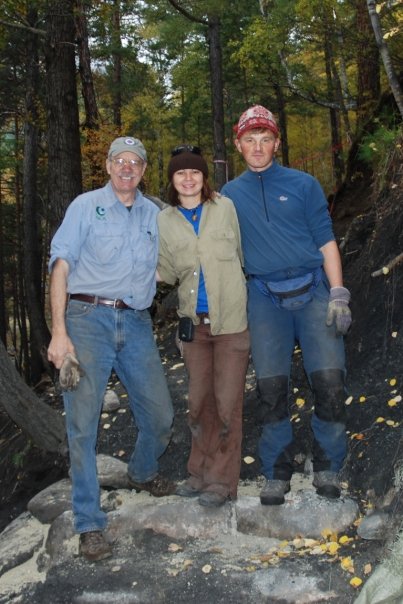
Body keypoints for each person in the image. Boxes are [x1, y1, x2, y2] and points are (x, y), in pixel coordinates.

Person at [47, 136, 175, 561]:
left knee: (160, 416)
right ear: (107, 166)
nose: (127, 168)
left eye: (135, 162)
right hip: (87, 321)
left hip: (137, 322)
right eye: (119, 160)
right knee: (82, 426)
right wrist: (58, 333)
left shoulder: (154, 213)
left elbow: (169, 262)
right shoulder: (85, 206)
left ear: (142, 170)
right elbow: (61, 265)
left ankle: (141, 472)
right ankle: (89, 522)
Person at [221, 105, 352, 506]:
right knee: (271, 388)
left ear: (277, 142)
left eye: (265, 139)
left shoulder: (303, 184)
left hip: (313, 291)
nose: (258, 147)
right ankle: (276, 468)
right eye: (250, 140)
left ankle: (328, 463)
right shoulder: (228, 197)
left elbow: (325, 239)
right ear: (238, 144)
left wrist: (338, 292)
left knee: (329, 381)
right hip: (263, 298)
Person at [157, 145, 250, 507]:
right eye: (181, 173)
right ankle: (198, 473)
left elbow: (240, 255)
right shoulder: (164, 221)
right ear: (172, 180)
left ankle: (222, 483)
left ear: (204, 177)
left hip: (231, 324)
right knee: (198, 404)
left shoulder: (224, 209)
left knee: (228, 404)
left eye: (194, 171)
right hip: (193, 328)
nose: (188, 177)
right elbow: (163, 271)